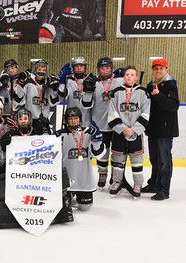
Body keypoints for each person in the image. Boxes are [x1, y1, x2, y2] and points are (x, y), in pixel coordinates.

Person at [80, 57, 124, 189]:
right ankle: (102, 174)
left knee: (117, 154)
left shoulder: (120, 80)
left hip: (117, 125)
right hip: (99, 124)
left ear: (112, 68)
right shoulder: (93, 83)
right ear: (98, 69)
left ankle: (116, 178)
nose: (105, 70)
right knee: (102, 153)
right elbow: (86, 104)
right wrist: (87, 90)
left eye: (107, 67)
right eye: (102, 68)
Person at [108, 66, 151, 199]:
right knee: (118, 160)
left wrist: (134, 129)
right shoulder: (116, 92)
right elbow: (112, 112)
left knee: (137, 161)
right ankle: (117, 181)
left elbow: (146, 113)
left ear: (136, 77)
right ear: (123, 77)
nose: (129, 77)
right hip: (120, 133)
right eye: (127, 74)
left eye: (132, 75)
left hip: (135, 133)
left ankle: (138, 184)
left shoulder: (143, 93)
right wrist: (122, 128)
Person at [55, 107, 105, 211]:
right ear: (66, 120)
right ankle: (69, 193)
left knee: (85, 207)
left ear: (80, 119)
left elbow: (98, 155)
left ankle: (77, 194)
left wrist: (97, 140)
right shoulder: (60, 135)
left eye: (76, 118)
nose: (73, 121)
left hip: (84, 179)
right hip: (66, 179)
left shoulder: (88, 133)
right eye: (70, 119)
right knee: (62, 207)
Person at [143, 58, 179, 200]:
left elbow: (173, 106)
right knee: (155, 159)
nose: (158, 71)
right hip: (153, 129)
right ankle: (154, 184)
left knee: (164, 160)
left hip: (165, 130)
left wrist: (159, 96)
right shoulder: (150, 85)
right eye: (155, 69)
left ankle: (164, 190)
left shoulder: (170, 85)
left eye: (161, 69)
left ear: (166, 69)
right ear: (152, 70)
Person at [22, 60, 60, 134]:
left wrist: (55, 89)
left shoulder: (48, 84)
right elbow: (21, 100)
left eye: (43, 69)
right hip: (31, 120)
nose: (41, 71)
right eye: (39, 69)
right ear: (35, 70)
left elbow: (53, 103)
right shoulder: (28, 83)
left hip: (45, 120)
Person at [38, 0, 103, 43]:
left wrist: (97, 35)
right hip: (61, 29)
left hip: (77, 34)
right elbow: (53, 14)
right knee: (46, 28)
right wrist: (49, 27)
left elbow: (93, 18)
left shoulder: (90, 1)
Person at [59, 56, 94, 128]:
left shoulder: (91, 80)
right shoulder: (69, 80)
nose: (79, 68)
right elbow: (62, 95)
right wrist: (62, 81)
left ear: (85, 67)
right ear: (73, 68)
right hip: (72, 120)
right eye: (76, 66)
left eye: (81, 66)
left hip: (87, 120)